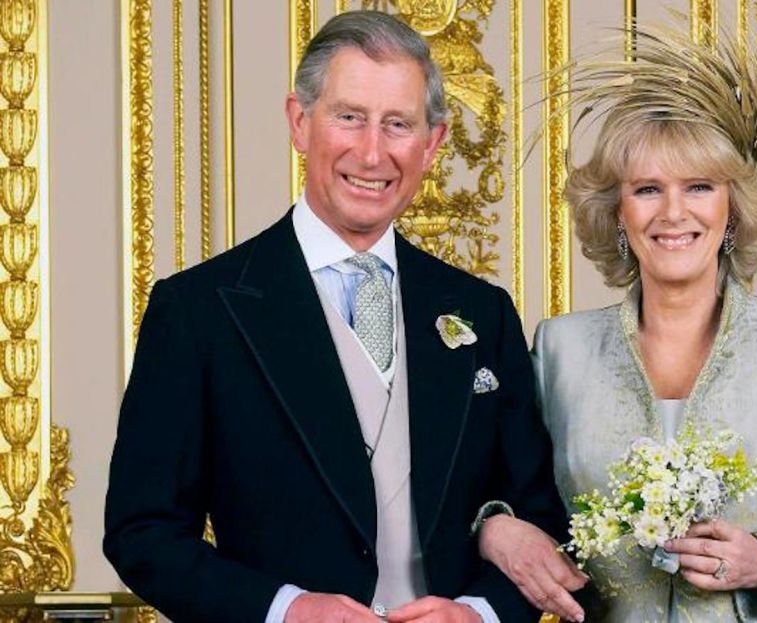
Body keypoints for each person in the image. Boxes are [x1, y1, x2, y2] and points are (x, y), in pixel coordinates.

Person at [103, 11, 580, 623]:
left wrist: (479, 614)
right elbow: (142, 533)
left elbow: (540, 517)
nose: (373, 150)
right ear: (300, 123)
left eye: (398, 124)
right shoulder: (198, 312)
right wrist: (285, 610)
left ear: (432, 144)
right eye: (349, 117)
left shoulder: (482, 313)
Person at [480, 25, 757, 621]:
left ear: (732, 207)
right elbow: (508, 503)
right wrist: (494, 527)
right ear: (618, 213)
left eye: (699, 186)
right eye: (647, 189)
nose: (674, 213)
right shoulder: (560, 351)